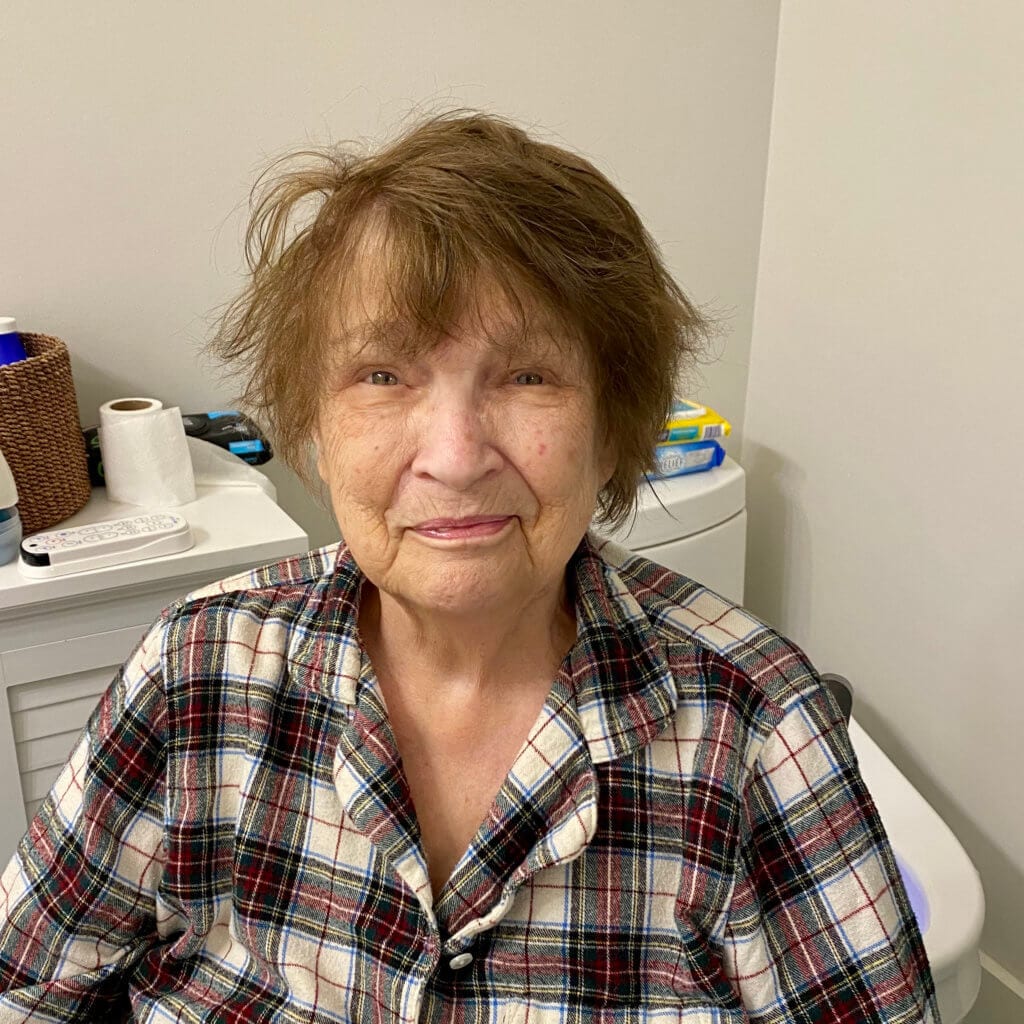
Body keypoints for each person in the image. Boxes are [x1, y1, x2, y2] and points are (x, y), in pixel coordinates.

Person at [0, 111, 939, 1023]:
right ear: (314, 429)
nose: (454, 456)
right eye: (384, 376)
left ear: (612, 431)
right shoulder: (197, 668)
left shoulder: (762, 733)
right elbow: (27, 986)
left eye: (528, 375)